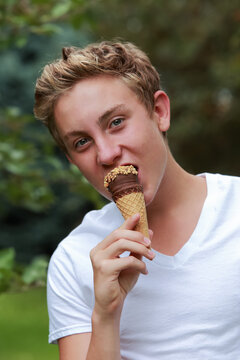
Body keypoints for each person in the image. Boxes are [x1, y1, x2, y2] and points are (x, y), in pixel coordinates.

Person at [34, 41, 240, 360]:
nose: (106, 154)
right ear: (72, 160)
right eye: (82, 142)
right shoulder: (74, 259)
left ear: (159, 112)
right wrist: (106, 313)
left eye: (116, 122)